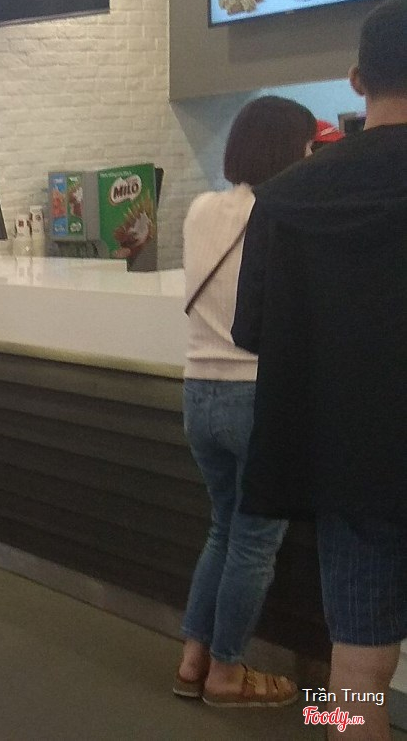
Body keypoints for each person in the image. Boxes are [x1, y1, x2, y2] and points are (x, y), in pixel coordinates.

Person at [233, 0, 407, 739]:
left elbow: (253, 332)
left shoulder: (284, 196)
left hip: (349, 468)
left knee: (355, 670)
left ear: (357, 81)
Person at [172, 96, 316, 707]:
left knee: (223, 528)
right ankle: (228, 675)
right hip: (257, 394)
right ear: (290, 151)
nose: (311, 157)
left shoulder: (200, 209)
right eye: (307, 146)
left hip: (198, 392)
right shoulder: (288, 216)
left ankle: (193, 660)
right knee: (255, 541)